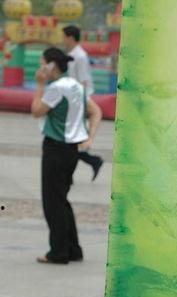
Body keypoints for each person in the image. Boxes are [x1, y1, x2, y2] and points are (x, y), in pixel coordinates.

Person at [31, 47, 102, 264]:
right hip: (71, 151)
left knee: (52, 202)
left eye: (42, 63)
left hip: (56, 148)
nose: (40, 67)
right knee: (61, 200)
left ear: (51, 65)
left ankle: (59, 252)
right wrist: (89, 137)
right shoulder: (75, 86)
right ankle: (73, 249)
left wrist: (40, 85)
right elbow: (96, 111)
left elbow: (36, 111)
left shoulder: (56, 88)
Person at [62, 24, 104, 181]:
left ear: (70, 37)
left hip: (79, 98)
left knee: (71, 139)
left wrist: (78, 103)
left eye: (64, 37)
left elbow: (84, 80)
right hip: (75, 97)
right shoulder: (73, 54)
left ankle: (90, 162)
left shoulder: (79, 56)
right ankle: (92, 161)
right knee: (71, 139)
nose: (62, 40)